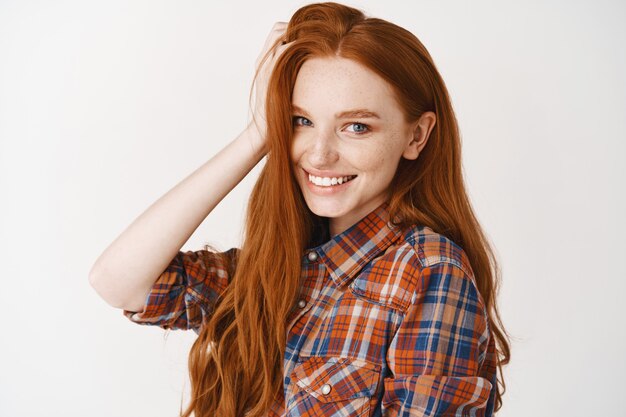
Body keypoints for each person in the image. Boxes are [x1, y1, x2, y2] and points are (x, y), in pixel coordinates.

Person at [89, 2, 511, 416]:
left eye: (356, 126)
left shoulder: (428, 272)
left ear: (416, 136)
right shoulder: (276, 267)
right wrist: (257, 133)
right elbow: (118, 282)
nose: (320, 154)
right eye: (301, 121)